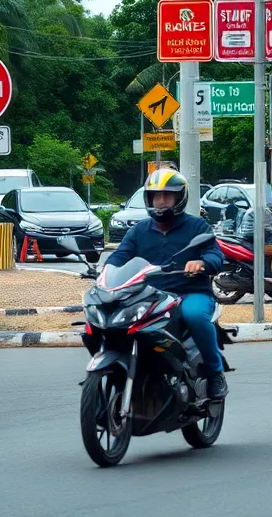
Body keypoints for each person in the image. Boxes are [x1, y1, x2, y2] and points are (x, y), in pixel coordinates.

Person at [105, 168, 229, 399]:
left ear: (179, 198)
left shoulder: (197, 227)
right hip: (149, 296)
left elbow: (216, 256)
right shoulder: (139, 230)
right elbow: (119, 257)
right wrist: (105, 273)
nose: (161, 202)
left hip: (190, 293)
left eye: (167, 196)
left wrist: (201, 263)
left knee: (195, 317)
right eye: (156, 196)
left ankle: (215, 372)